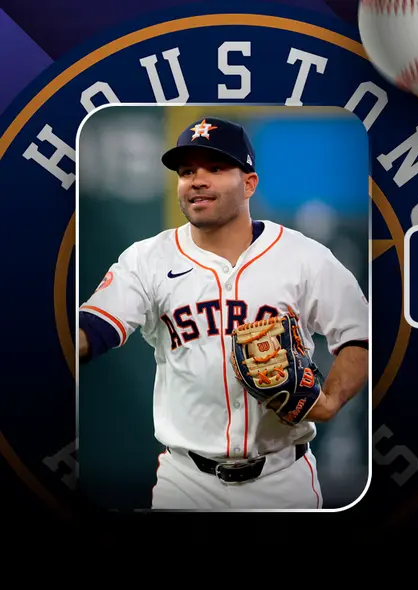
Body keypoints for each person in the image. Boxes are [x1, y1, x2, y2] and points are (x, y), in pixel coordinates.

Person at [78, 116, 369, 510]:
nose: (197, 180)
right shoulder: (146, 260)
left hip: (284, 479)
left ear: (249, 183)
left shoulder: (303, 257)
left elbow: (361, 334)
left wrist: (331, 399)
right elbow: (91, 328)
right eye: (186, 171)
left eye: (215, 168)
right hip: (185, 481)